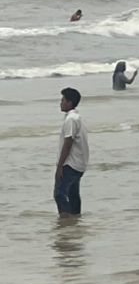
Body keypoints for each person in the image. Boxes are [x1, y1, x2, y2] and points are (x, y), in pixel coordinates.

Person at [54, 88, 88, 216]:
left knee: (60, 194)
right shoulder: (76, 117)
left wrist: (59, 166)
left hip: (70, 164)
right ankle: (75, 218)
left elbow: (68, 143)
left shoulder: (71, 120)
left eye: (63, 100)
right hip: (79, 163)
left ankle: (66, 222)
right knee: (73, 194)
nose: (60, 103)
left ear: (70, 102)